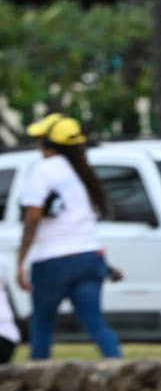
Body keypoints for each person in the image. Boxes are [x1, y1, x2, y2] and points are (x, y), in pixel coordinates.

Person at [16, 115, 122, 362]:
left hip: (53, 260)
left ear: (47, 143)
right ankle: (120, 370)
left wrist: (21, 261)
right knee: (95, 324)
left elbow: (32, 219)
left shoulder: (42, 170)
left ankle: (35, 383)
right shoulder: (81, 171)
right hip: (88, 257)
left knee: (41, 326)